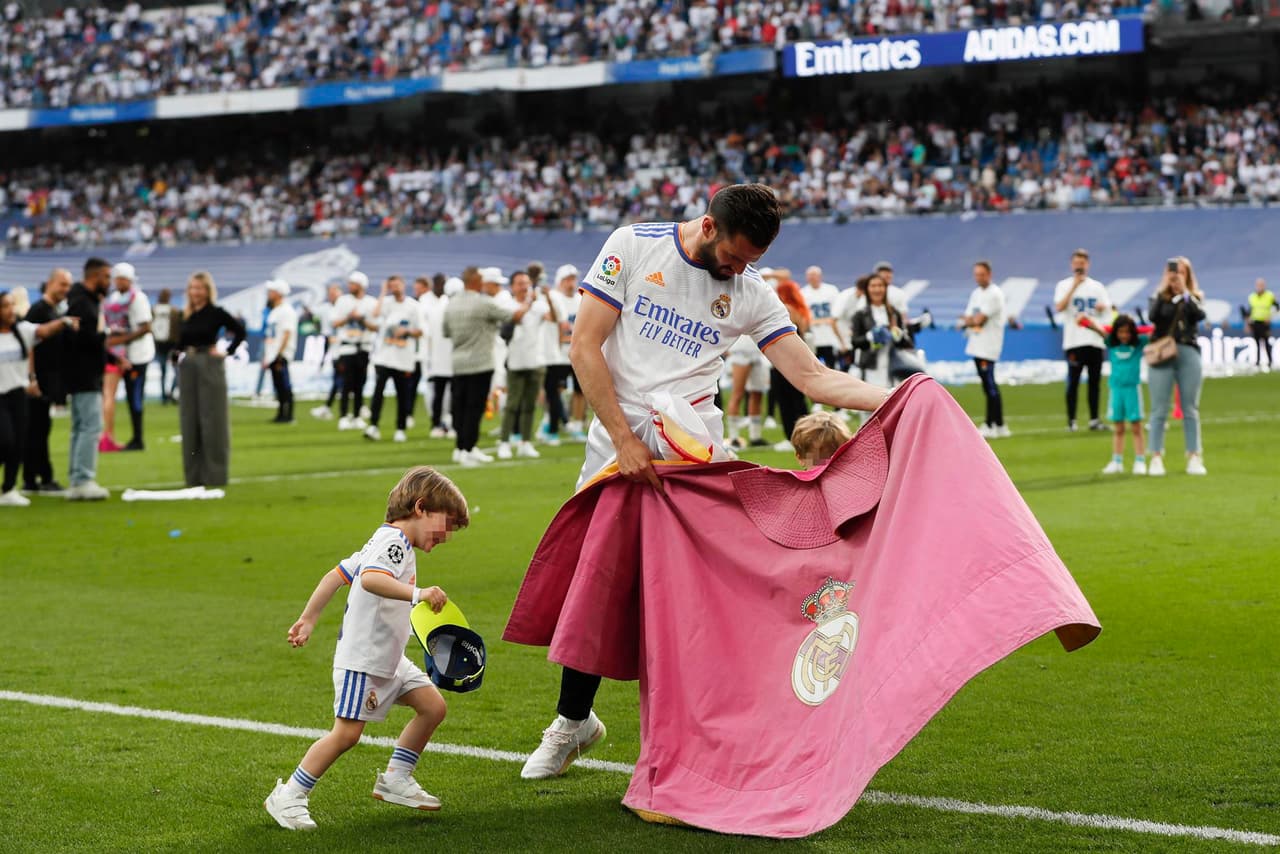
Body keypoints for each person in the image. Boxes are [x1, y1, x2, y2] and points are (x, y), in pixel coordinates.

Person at [520, 183, 888, 781]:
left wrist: (899, 397)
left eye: (752, 264)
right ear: (709, 226)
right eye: (736, 257)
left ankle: (700, 740)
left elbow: (812, 376)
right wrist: (624, 440)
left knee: (694, 601)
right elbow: (584, 347)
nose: (740, 272)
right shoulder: (633, 247)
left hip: (695, 462)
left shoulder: (750, 292)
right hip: (618, 453)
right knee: (601, 586)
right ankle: (573, 723)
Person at [263, 466, 469, 831]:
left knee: (432, 706)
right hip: (364, 660)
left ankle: (396, 778)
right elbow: (373, 579)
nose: (448, 536)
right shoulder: (392, 544)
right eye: (447, 524)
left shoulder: (387, 541)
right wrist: (419, 594)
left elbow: (337, 574)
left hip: (389, 658)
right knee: (346, 734)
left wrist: (309, 618)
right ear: (420, 507)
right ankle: (290, 795)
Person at [0, 289, 78, 507]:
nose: (10, 310)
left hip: (19, 394)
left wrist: (63, 322)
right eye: (5, 306)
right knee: (5, 440)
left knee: (18, 443)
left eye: (11, 305)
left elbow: (43, 331)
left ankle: (8, 489)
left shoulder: (21, 331)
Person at [178, 271, 246, 488]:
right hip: (188, 363)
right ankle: (193, 476)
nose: (195, 292)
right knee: (189, 420)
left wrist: (228, 351)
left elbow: (239, 331)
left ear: (208, 291)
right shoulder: (185, 314)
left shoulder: (216, 313)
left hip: (209, 361)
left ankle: (215, 475)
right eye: (192, 287)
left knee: (213, 420)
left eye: (199, 287)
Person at [442, 266, 515, 467]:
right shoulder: (483, 303)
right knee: (474, 408)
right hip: (480, 362)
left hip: (458, 362)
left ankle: (460, 448)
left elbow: (446, 331)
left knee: (460, 406)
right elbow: (511, 316)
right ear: (476, 281)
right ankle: (469, 448)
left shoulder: (451, 304)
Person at [1147, 257, 1208, 477]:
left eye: (1181, 273)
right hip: (1162, 354)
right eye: (1173, 273)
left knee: (1190, 407)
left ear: (1188, 275)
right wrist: (1165, 290)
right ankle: (1155, 456)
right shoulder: (1158, 297)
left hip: (1188, 351)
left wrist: (1184, 293)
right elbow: (1153, 316)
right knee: (1159, 408)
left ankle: (1194, 455)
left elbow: (1199, 315)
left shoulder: (1194, 297)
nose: (1176, 277)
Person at [63, 257, 115, 501]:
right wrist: (104, 336)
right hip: (85, 373)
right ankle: (83, 478)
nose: (109, 282)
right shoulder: (83, 303)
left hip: (80, 372)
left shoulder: (83, 300)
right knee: (90, 426)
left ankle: (76, 479)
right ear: (95, 277)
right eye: (106, 277)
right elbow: (84, 339)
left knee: (80, 427)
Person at [22, 268, 73, 494]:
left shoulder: (52, 310)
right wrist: (31, 378)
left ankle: (32, 478)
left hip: (47, 380)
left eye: (68, 285)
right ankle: (42, 478)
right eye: (62, 284)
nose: (65, 290)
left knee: (38, 430)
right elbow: (28, 344)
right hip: (38, 381)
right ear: (50, 283)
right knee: (37, 430)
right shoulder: (38, 310)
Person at [497, 270, 555, 460]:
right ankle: (504, 442)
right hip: (515, 361)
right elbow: (516, 317)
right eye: (520, 283)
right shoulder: (508, 304)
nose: (524, 287)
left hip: (535, 361)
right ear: (512, 286)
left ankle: (525, 442)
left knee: (530, 406)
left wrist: (549, 298)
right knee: (512, 405)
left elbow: (553, 319)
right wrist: (530, 301)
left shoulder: (538, 305)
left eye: (526, 283)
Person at [1053, 248, 1110, 432]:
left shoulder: (1097, 287)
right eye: (1076, 263)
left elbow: (1108, 311)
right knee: (1073, 382)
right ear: (1072, 265)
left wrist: (1103, 309)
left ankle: (1094, 419)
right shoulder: (1064, 285)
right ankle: (1072, 421)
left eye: (1082, 263)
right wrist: (1074, 286)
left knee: (1094, 383)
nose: (1079, 266)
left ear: (1088, 264)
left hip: (1094, 340)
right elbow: (1060, 307)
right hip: (1074, 341)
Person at [365, 275, 421, 443]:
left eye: (397, 285)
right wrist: (382, 293)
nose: (395, 288)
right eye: (392, 286)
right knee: (378, 392)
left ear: (403, 285)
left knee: (402, 395)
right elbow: (374, 315)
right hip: (384, 356)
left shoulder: (413, 306)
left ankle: (400, 428)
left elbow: (420, 331)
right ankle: (373, 425)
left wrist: (406, 332)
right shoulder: (386, 303)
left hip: (403, 359)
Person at [961, 261, 1009, 439]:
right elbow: (969, 316)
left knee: (990, 385)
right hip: (976, 344)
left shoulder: (994, 294)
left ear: (989, 274)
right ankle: (1000, 424)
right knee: (987, 385)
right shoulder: (976, 293)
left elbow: (977, 319)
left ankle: (991, 424)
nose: (978, 278)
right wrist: (970, 320)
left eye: (981, 274)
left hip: (988, 346)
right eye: (976, 274)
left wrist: (969, 321)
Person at [1095, 314, 1149, 475]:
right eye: (1121, 332)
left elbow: (1154, 333)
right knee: (1118, 427)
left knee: (1136, 426)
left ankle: (1140, 460)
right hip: (1116, 390)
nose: (1124, 336)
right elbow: (1099, 331)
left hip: (1132, 389)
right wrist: (1089, 323)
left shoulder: (1139, 343)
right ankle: (1116, 460)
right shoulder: (1112, 344)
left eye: (1127, 332)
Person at [767, 268, 811, 452]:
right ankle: (807, 434)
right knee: (798, 400)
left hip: (783, 361)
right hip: (798, 360)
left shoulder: (786, 309)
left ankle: (791, 437)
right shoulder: (801, 311)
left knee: (785, 402)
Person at [850, 272, 916, 390]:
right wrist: (871, 337)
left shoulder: (894, 313)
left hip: (893, 366)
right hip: (870, 368)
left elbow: (906, 343)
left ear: (885, 288)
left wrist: (898, 335)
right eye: (873, 286)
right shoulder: (860, 314)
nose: (877, 289)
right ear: (867, 289)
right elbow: (855, 342)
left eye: (880, 286)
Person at [539, 264, 579, 446]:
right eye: (567, 279)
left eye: (573, 279)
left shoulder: (580, 299)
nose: (571, 283)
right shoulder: (554, 298)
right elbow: (552, 317)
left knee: (580, 391)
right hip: (556, 355)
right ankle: (550, 424)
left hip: (576, 353)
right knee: (553, 392)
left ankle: (576, 425)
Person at [333, 272, 377, 431]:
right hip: (347, 347)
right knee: (346, 383)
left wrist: (362, 319)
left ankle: (357, 415)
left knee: (360, 383)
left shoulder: (371, 303)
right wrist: (349, 317)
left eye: (353, 283)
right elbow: (335, 322)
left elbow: (376, 326)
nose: (350, 286)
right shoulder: (343, 301)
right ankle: (344, 416)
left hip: (364, 347)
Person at [423, 277, 456, 438]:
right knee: (447, 395)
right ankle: (447, 425)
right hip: (449, 360)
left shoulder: (436, 308)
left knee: (440, 395)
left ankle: (438, 424)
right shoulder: (441, 308)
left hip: (441, 360)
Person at [262, 279, 298, 424]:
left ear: (278, 293)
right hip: (272, 354)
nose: (269, 294)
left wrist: (279, 354)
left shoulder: (286, 311)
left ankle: (288, 415)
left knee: (284, 384)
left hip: (280, 354)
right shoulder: (274, 311)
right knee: (278, 385)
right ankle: (281, 413)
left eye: (271, 291)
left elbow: (286, 334)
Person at [800, 265, 845, 369]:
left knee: (832, 366)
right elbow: (803, 317)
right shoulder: (803, 293)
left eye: (815, 275)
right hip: (813, 336)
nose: (812, 278)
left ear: (820, 276)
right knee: (814, 366)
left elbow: (836, 314)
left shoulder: (831, 290)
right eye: (810, 276)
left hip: (830, 336)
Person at [310, 284, 343, 420]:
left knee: (342, 380)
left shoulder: (345, 307)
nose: (332, 295)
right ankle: (329, 407)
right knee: (338, 379)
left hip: (346, 348)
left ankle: (335, 409)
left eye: (334, 292)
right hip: (335, 348)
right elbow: (315, 319)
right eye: (330, 293)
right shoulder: (326, 309)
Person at [151, 288, 180, 404]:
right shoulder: (173, 311)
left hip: (169, 345)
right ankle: (166, 395)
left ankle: (168, 394)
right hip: (164, 345)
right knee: (171, 371)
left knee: (172, 371)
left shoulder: (173, 311)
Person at [1246, 278, 1276, 370]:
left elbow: (1277, 307)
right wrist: (1248, 323)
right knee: (1257, 343)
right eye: (1258, 285)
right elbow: (1250, 311)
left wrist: (1270, 317)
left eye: (1261, 285)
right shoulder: (1252, 297)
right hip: (1255, 322)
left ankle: (1270, 361)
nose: (1260, 287)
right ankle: (1257, 362)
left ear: (1264, 286)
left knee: (1267, 342)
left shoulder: (1269, 295)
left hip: (1265, 323)